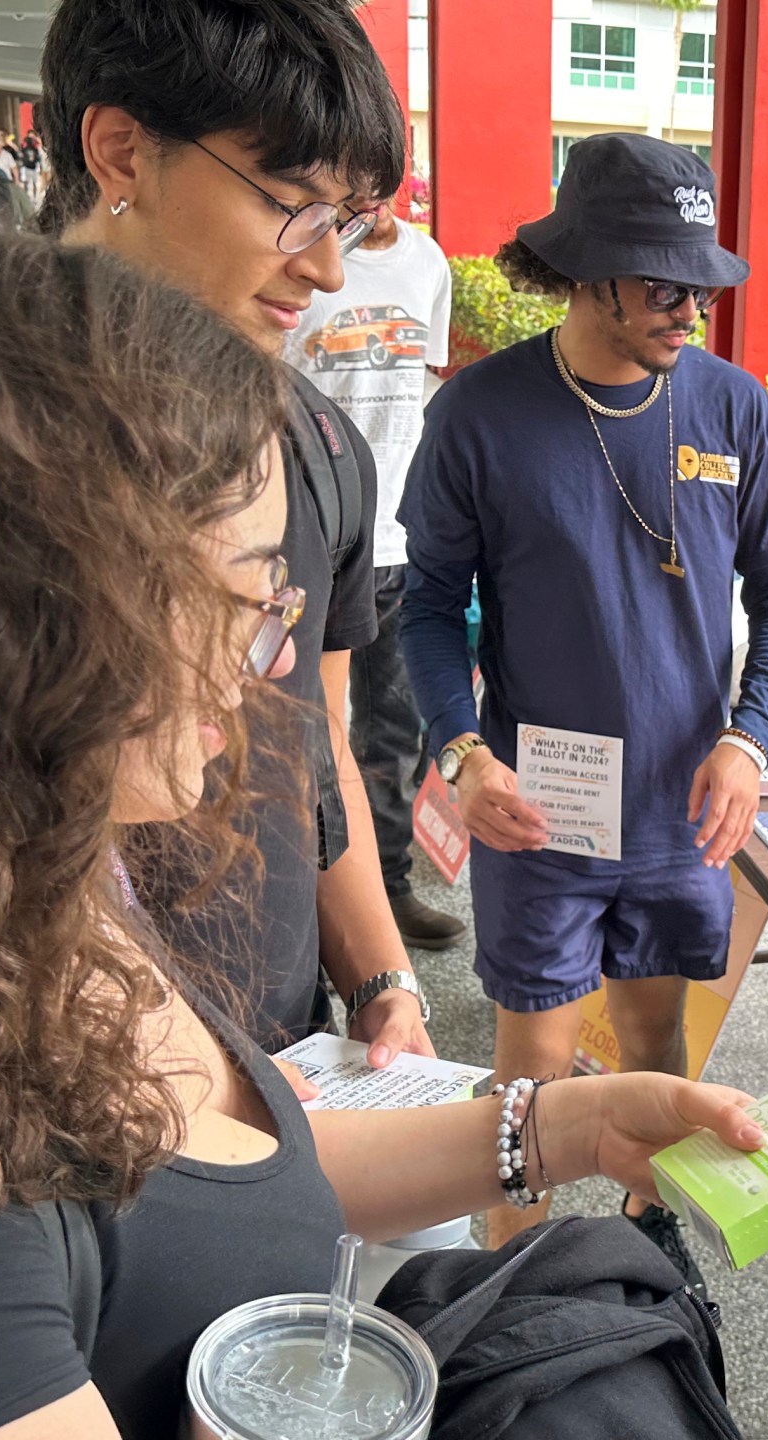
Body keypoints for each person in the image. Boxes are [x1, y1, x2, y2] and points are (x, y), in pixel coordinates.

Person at [0, 224, 766, 1440]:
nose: (268, 658)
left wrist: (566, 1128)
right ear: (9, 615)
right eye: (242, 595)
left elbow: (220, 1167)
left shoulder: (8, 880)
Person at [400, 133, 768, 1270]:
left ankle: (649, 1255)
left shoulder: (734, 410)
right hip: (542, 814)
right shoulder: (479, 416)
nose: (690, 306)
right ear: (587, 273)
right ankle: (504, 1285)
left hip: (685, 807)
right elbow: (428, 607)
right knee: (527, 1087)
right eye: (662, 281)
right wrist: (461, 753)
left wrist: (751, 737)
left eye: (700, 280)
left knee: (655, 1045)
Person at [37, 0, 434, 1064]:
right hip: (28, 1087)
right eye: (293, 205)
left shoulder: (315, 447)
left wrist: (382, 977)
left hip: (278, 1061)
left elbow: (312, 739)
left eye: (345, 219)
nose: (328, 268)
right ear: (122, 150)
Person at [288, 194, 465, 949]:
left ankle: (386, 890)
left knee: (394, 736)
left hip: (402, 537)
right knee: (303, 730)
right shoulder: (297, 262)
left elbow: (425, 384)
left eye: (381, 185)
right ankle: (303, 901)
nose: (370, 206)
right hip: (317, 538)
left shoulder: (428, 264)